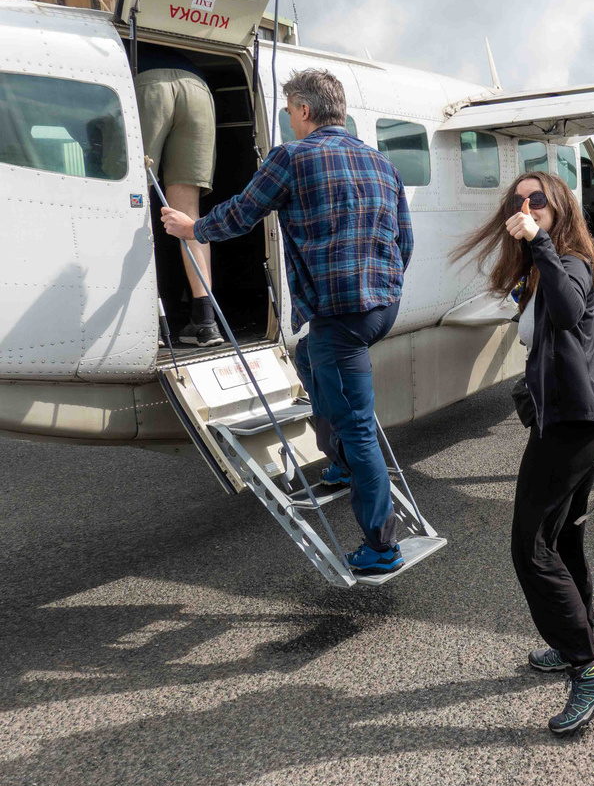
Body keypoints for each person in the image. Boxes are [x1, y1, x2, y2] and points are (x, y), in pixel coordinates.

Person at [161, 69, 414, 575]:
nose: (288, 121)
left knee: (358, 424)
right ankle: (340, 462)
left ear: (302, 111)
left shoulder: (293, 157)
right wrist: (375, 291)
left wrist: (193, 228)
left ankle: (382, 545)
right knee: (306, 355)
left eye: (288, 112)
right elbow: (404, 242)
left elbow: (243, 213)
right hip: (381, 308)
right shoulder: (380, 162)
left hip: (341, 316)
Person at [454, 171, 594, 736]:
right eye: (517, 201)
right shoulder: (536, 268)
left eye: (537, 201)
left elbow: (573, 307)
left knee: (529, 547)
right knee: (561, 537)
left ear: (557, 209)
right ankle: (578, 643)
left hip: (574, 427)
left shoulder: (568, 259)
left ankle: (590, 670)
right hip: (570, 420)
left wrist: (541, 242)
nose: (525, 207)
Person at [135, 43, 222, 346]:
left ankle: (148, 322)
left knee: (136, 206)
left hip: (147, 82)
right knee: (189, 215)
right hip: (197, 87)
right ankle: (205, 320)